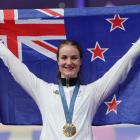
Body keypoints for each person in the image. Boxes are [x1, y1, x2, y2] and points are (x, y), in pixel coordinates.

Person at [0, 39, 140, 140]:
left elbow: (123, 65)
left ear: (80, 61)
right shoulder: (42, 90)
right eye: (64, 58)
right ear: (58, 61)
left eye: (74, 58)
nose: (69, 62)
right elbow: (15, 66)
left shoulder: (92, 92)